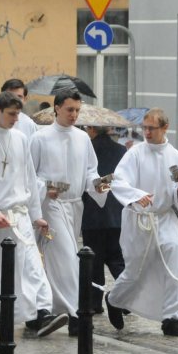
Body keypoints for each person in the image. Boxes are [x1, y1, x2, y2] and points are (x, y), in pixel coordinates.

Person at [0, 92, 68, 337]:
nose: (15, 119)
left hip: (19, 215)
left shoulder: (21, 138)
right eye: (11, 114)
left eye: (18, 114)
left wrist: (35, 214)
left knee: (31, 267)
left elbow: (28, 178)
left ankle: (40, 314)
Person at [105, 108, 178, 336]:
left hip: (164, 218)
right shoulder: (135, 154)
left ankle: (172, 319)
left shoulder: (175, 157)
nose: (147, 133)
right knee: (136, 270)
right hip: (140, 220)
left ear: (164, 128)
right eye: (144, 128)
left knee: (176, 265)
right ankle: (114, 299)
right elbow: (119, 181)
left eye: (151, 128)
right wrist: (136, 197)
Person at [29, 88, 107, 336]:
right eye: (70, 110)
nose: (74, 115)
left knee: (64, 259)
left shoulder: (83, 138)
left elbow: (89, 170)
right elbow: (29, 174)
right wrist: (44, 189)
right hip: (51, 205)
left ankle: (45, 310)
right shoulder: (41, 138)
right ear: (57, 108)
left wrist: (99, 184)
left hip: (75, 205)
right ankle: (76, 314)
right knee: (64, 256)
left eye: (77, 110)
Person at [81, 126, 126, 313]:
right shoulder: (121, 150)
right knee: (116, 257)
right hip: (116, 210)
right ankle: (125, 298)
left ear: (91, 129)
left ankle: (94, 302)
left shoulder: (87, 148)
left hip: (93, 212)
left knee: (93, 260)